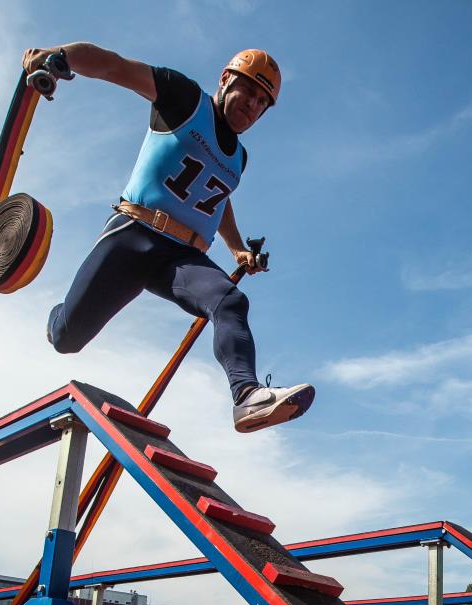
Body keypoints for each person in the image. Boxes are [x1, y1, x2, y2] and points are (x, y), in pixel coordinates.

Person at [24, 43, 314, 433]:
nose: (252, 106)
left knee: (230, 301)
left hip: (179, 258)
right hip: (133, 235)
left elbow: (218, 198)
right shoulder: (184, 99)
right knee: (66, 338)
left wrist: (238, 249)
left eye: (263, 103)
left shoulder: (239, 159)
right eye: (248, 92)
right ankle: (56, 318)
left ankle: (246, 396)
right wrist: (61, 57)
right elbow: (115, 66)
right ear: (226, 79)